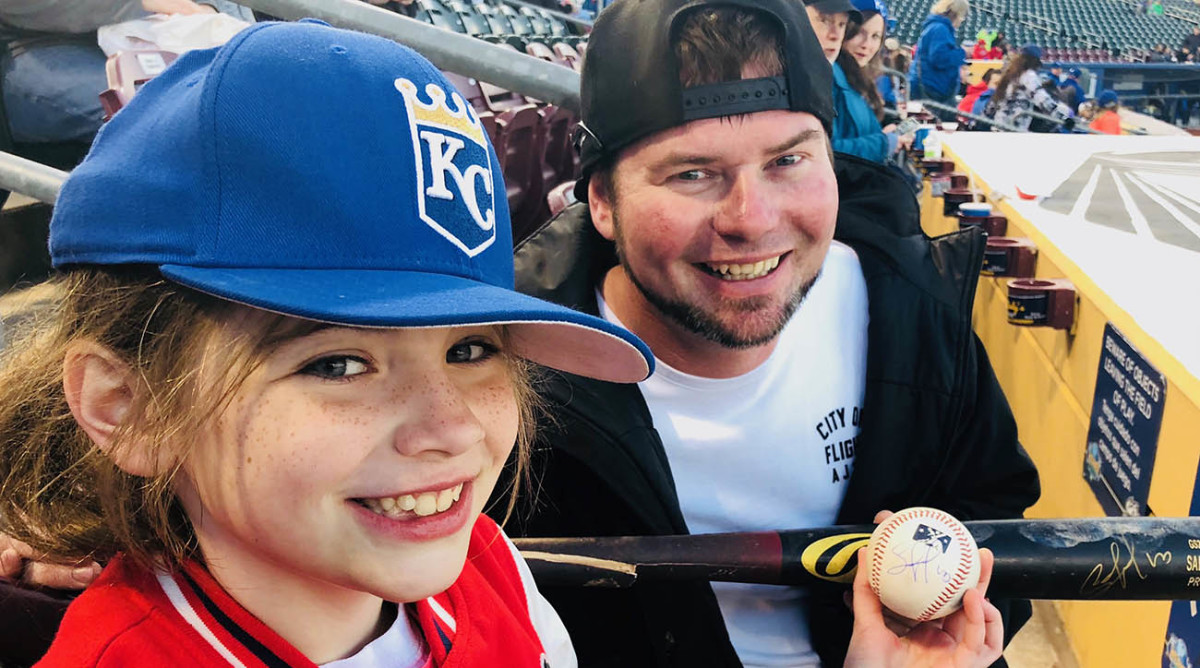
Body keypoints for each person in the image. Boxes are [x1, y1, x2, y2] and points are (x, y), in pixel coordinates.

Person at [0, 19, 663, 666]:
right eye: (340, 364)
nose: (451, 428)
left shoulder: (490, 567)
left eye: (470, 350)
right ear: (128, 408)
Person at [503, 0, 1040, 666]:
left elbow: (998, 520)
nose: (751, 220)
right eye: (692, 173)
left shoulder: (911, 309)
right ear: (603, 202)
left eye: (787, 162)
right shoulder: (511, 377)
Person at [0, 0, 252, 149]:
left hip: (165, 25)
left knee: (254, 90)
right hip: (38, 42)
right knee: (173, 118)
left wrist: (211, 8)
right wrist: (135, 3)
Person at [814, 0, 911, 163]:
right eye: (860, 32)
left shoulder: (856, 77)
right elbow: (827, 152)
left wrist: (885, 134)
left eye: (875, 36)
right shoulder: (829, 76)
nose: (867, 45)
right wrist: (885, 143)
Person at [985, 45, 1073, 133]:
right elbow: (1042, 98)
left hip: (999, 125)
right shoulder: (1029, 76)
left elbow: (994, 101)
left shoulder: (1009, 75)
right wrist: (1063, 117)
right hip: (1015, 127)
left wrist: (983, 117)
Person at [908, 0, 969, 120]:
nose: (962, 20)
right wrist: (962, 53)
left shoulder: (936, 27)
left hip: (931, 87)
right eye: (962, 16)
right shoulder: (940, 29)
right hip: (933, 89)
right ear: (956, 14)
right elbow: (939, 59)